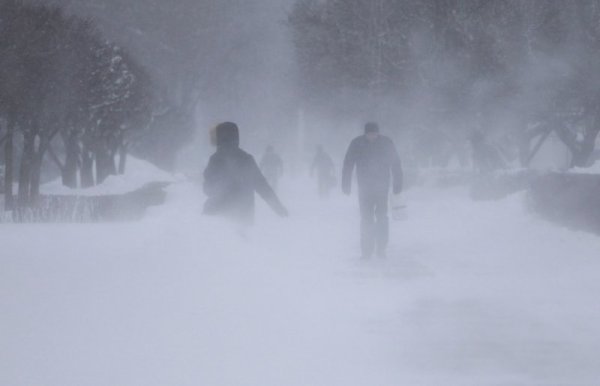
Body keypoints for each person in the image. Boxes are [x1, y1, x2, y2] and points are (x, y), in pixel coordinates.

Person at [203, 122, 288, 226]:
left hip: (219, 214)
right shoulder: (246, 159)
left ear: (219, 138)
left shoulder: (215, 159)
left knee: (219, 241)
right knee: (241, 241)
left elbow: (208, 189)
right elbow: (262, 186)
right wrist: (279, 209)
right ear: (236, 137)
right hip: (244, 214)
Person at [342, 122, 403, 258]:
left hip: (382, 187)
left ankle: (381, 249)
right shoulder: (357, 143)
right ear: (365, 133)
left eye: (374, 134)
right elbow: (348, 162)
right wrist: (346, 183)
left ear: (378, 133)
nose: (372, 136)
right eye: (369, 134)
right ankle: (366, 251)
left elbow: (396, 162)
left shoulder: (386, 143)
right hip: (364, 188)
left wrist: (398, 183)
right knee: (366, 219)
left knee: (382, 218)